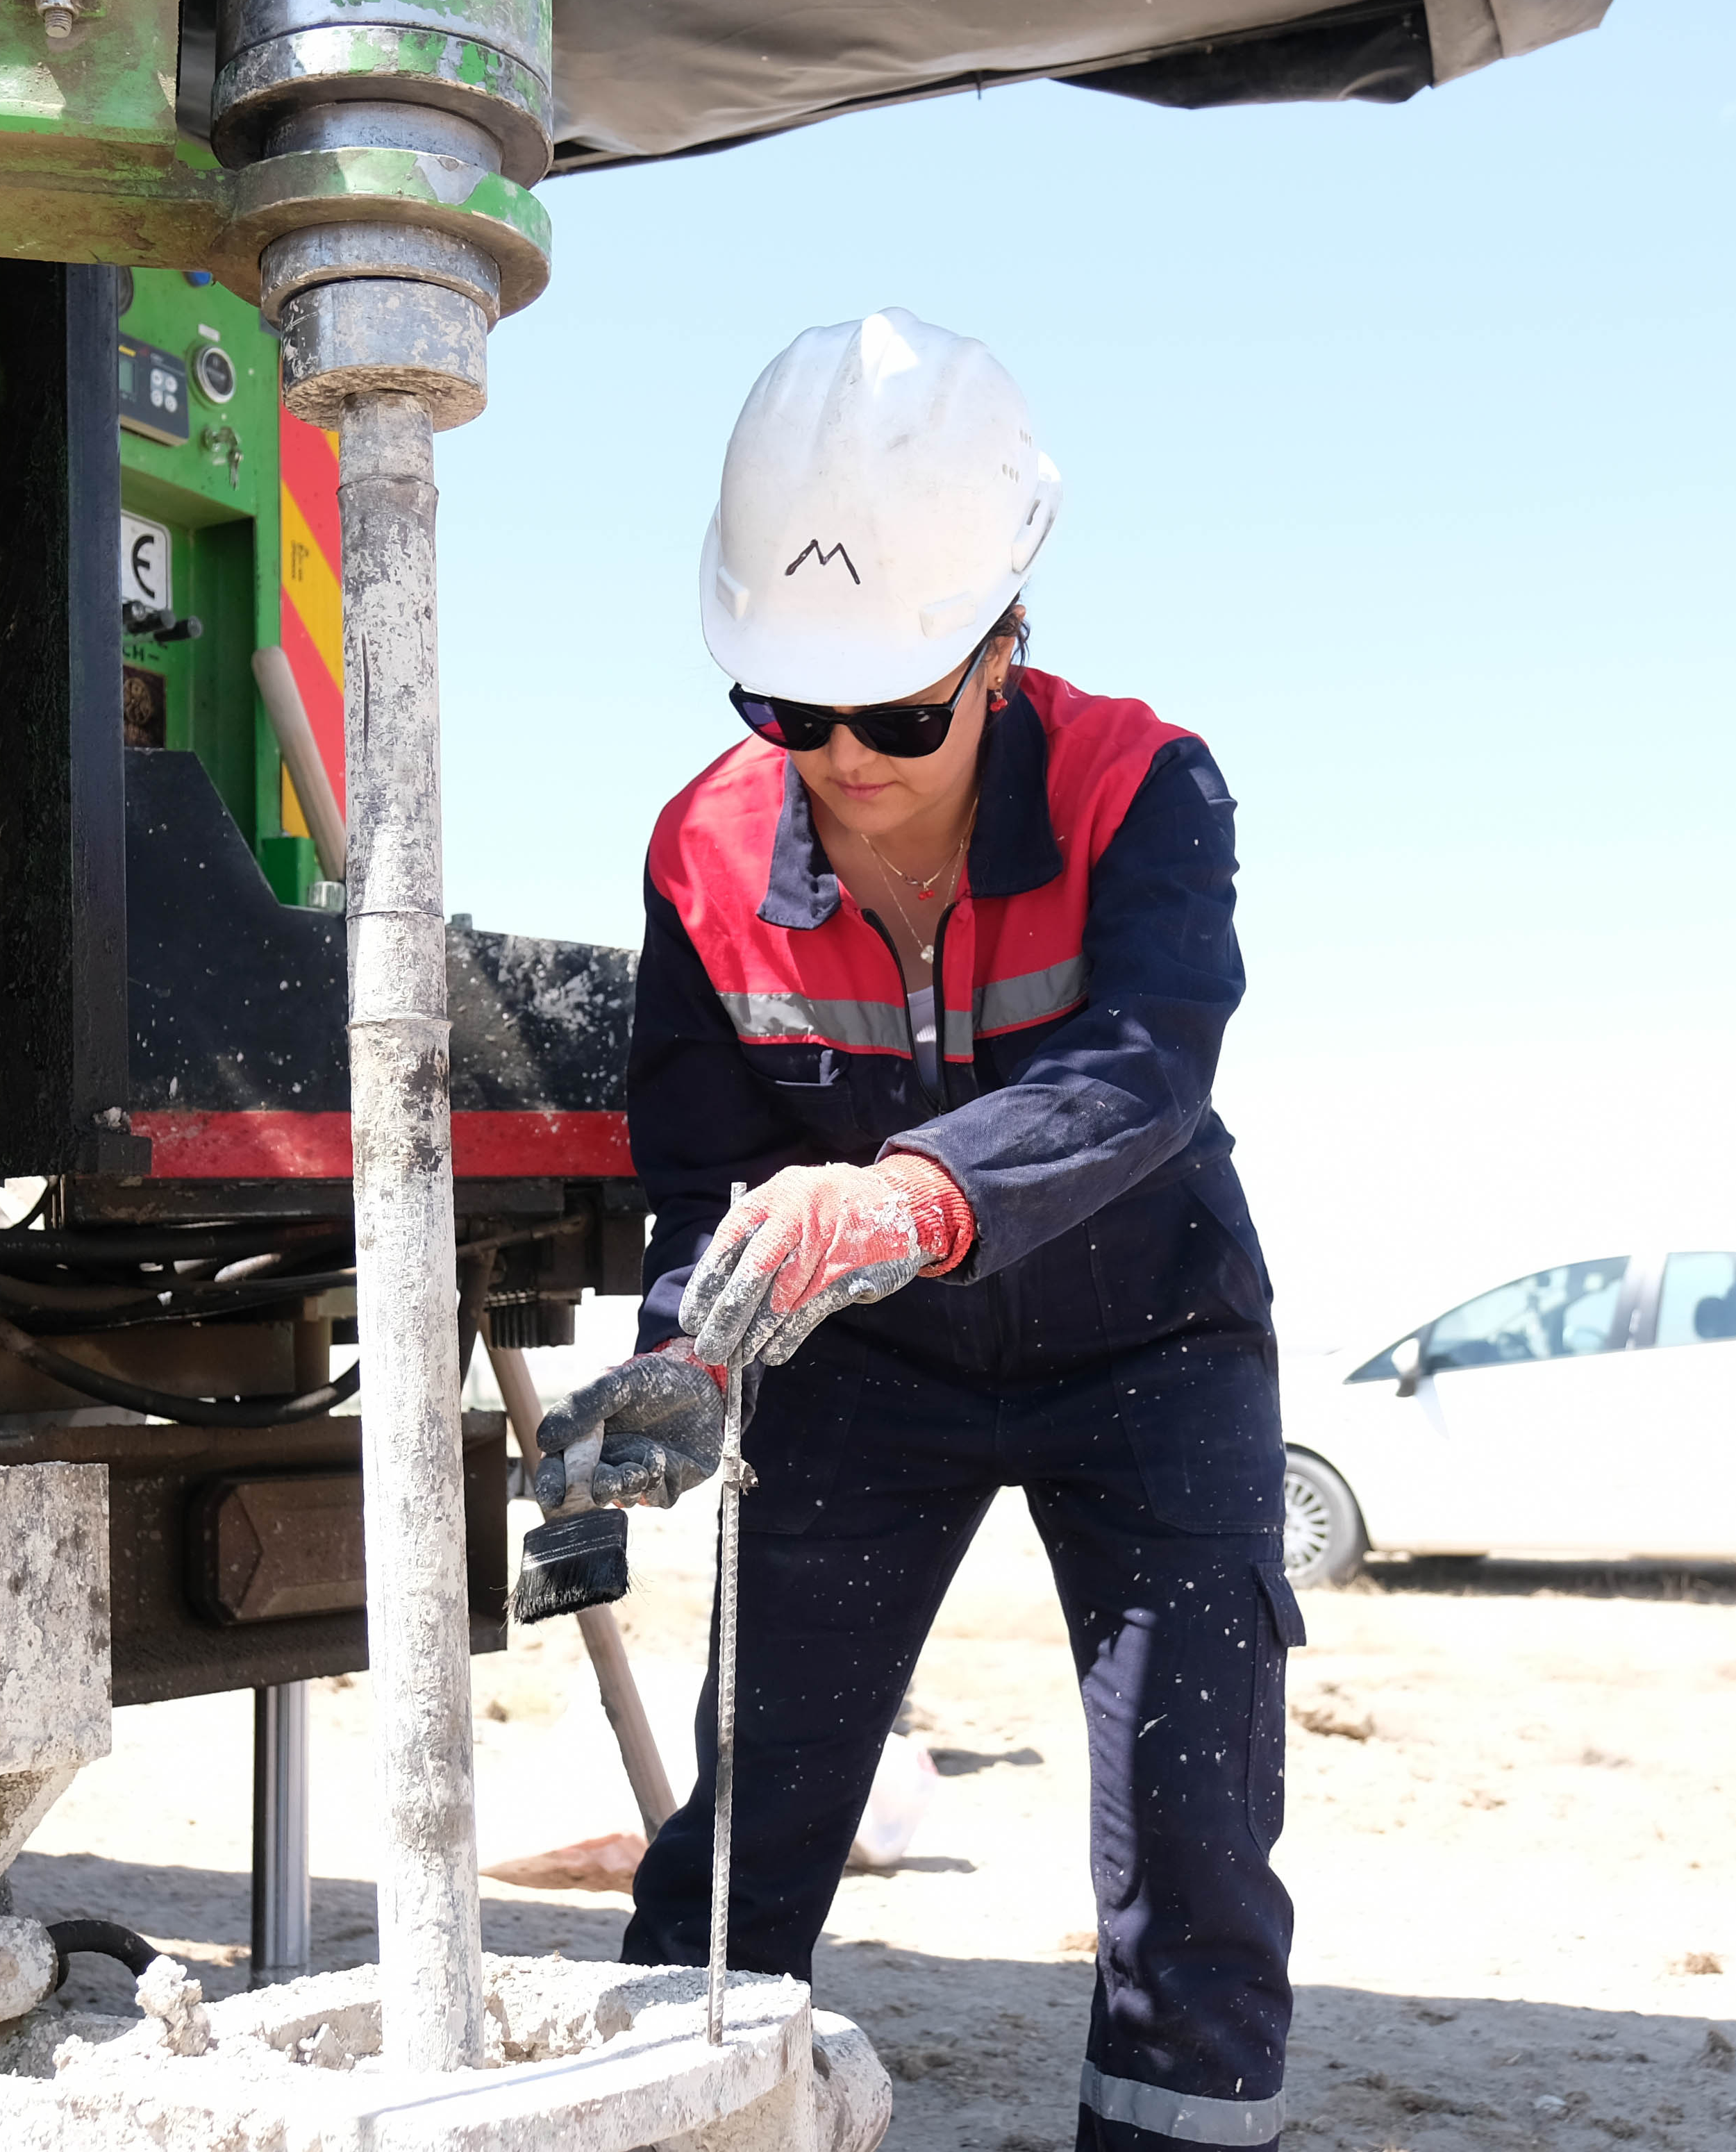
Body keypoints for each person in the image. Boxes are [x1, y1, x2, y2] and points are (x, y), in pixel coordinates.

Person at [537, 308, 1298, 2151]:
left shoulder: (1140, 782)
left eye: (891, 710)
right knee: (759, 1801)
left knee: (1188, 1822)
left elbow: (1142, 1074)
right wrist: (678, 1350)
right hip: (862, 1375)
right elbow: (697, 1158)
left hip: (1149, 1349)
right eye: (784, 710)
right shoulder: (699, 850)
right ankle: (671, 2110)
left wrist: (905, 1197)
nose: (840, 757)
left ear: (1001, 644)